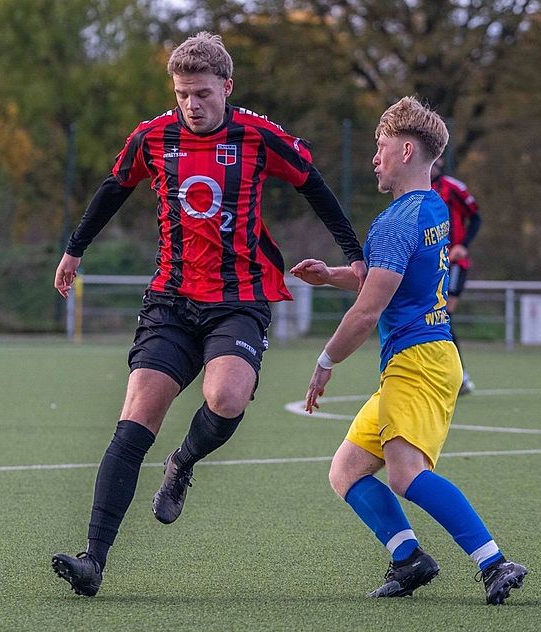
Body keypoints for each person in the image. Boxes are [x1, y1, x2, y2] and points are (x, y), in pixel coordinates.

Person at [51, 32, 366, 597]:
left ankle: (184, 461)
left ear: (227, 87)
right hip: (171, 301)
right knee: (134, 420)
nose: (191, 104)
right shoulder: (152, 137)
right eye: (181, 94)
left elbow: (314, 188)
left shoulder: (258, 136)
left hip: (239, 299)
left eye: (201, 92)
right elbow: (112, 189)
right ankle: (92, 559)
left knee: (226, 399)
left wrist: (355, 255)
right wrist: (75, 248)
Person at [290, 97, 527, 605]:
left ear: (403, 149)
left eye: (379, 148)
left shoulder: (397, 220)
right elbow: (387, 283)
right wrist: (331, 275)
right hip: (424, 357)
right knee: (347, 470)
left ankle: (494, 563)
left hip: (417, 360)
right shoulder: (431, 205)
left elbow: (368, 312)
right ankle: (408, 559)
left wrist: (325, 362)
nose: (374, 158)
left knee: (405, 474)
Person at [431, 157, 481, 394]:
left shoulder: (454, 188)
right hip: (430, 264)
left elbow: (476, 217)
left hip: (454, 262)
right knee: (432, 316)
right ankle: (442, 373)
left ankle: (459, 375)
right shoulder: (413, 191)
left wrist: (464, 245)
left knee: (443, 315)